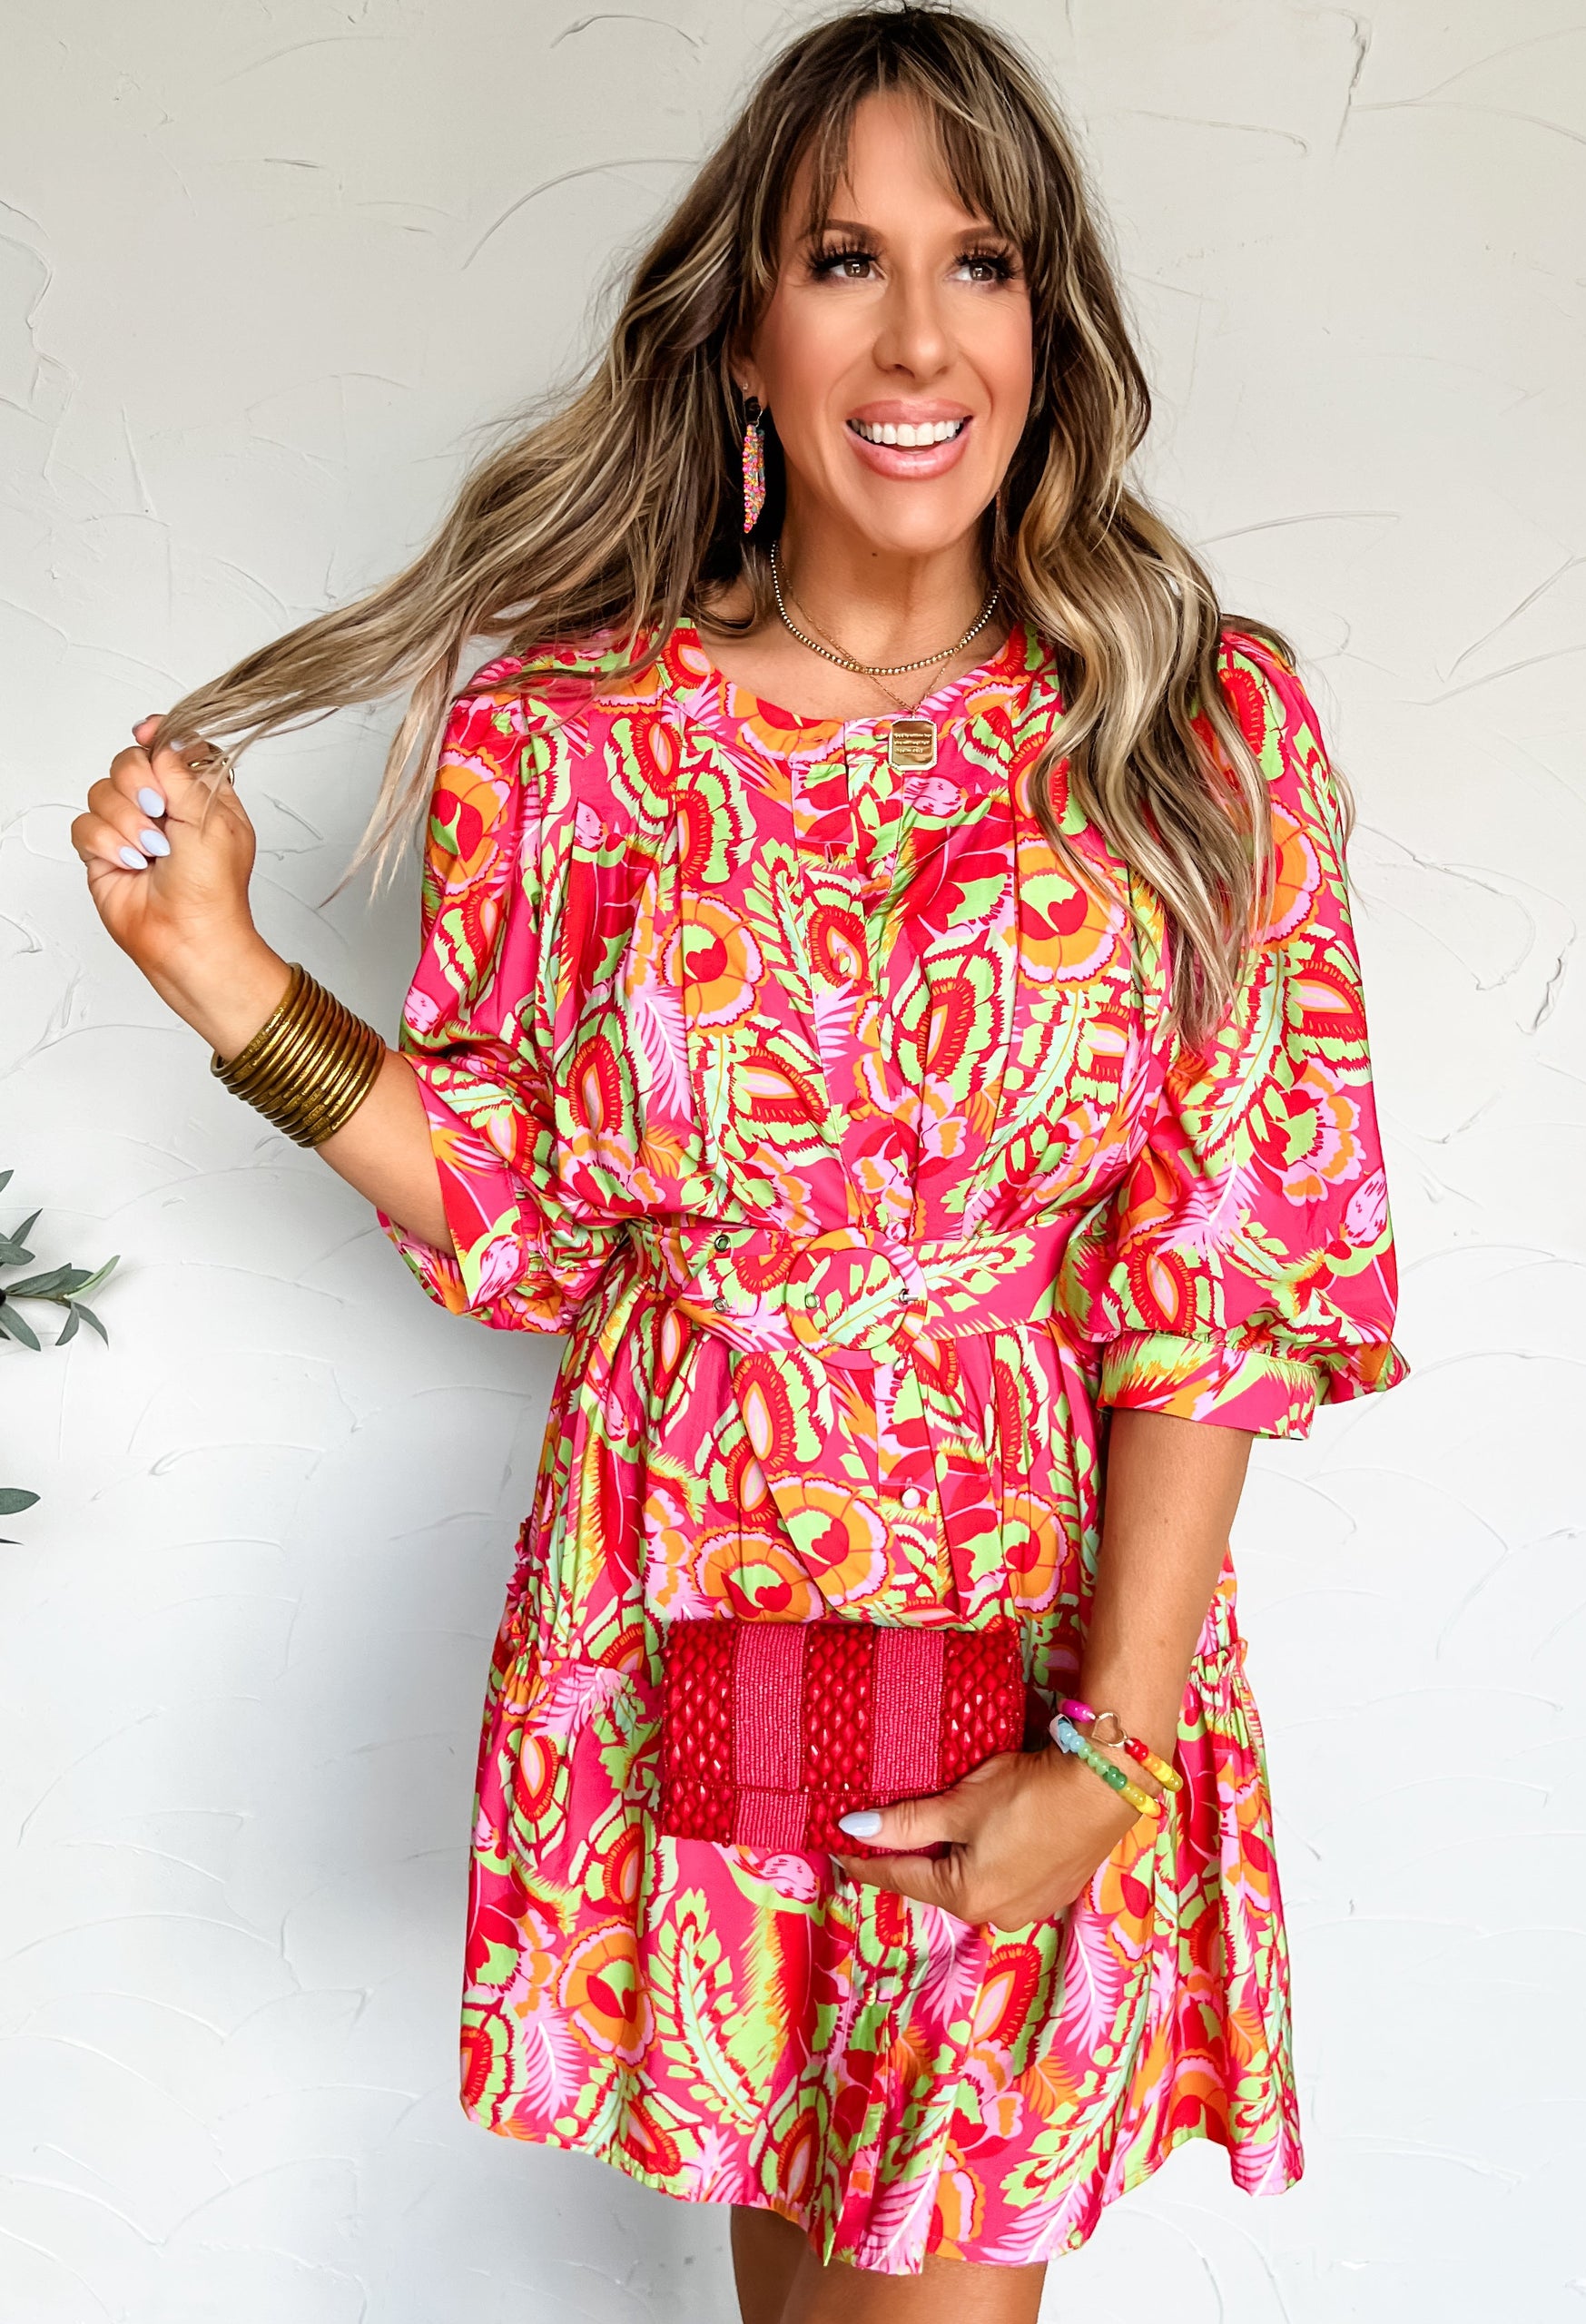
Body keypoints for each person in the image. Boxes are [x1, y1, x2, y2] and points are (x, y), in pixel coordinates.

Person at [69, 8, 1408, 2318]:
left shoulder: (1193, 733)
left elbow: (1229, 1271)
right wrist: (226, 984)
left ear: (1046, 324)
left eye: (979, 264)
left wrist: (1108, 1748)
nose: (917, 337)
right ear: (744, 336)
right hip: (684, 1623)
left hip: (1034, 1641)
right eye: (845, 260)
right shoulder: (566, 736)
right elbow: (523, 1224)